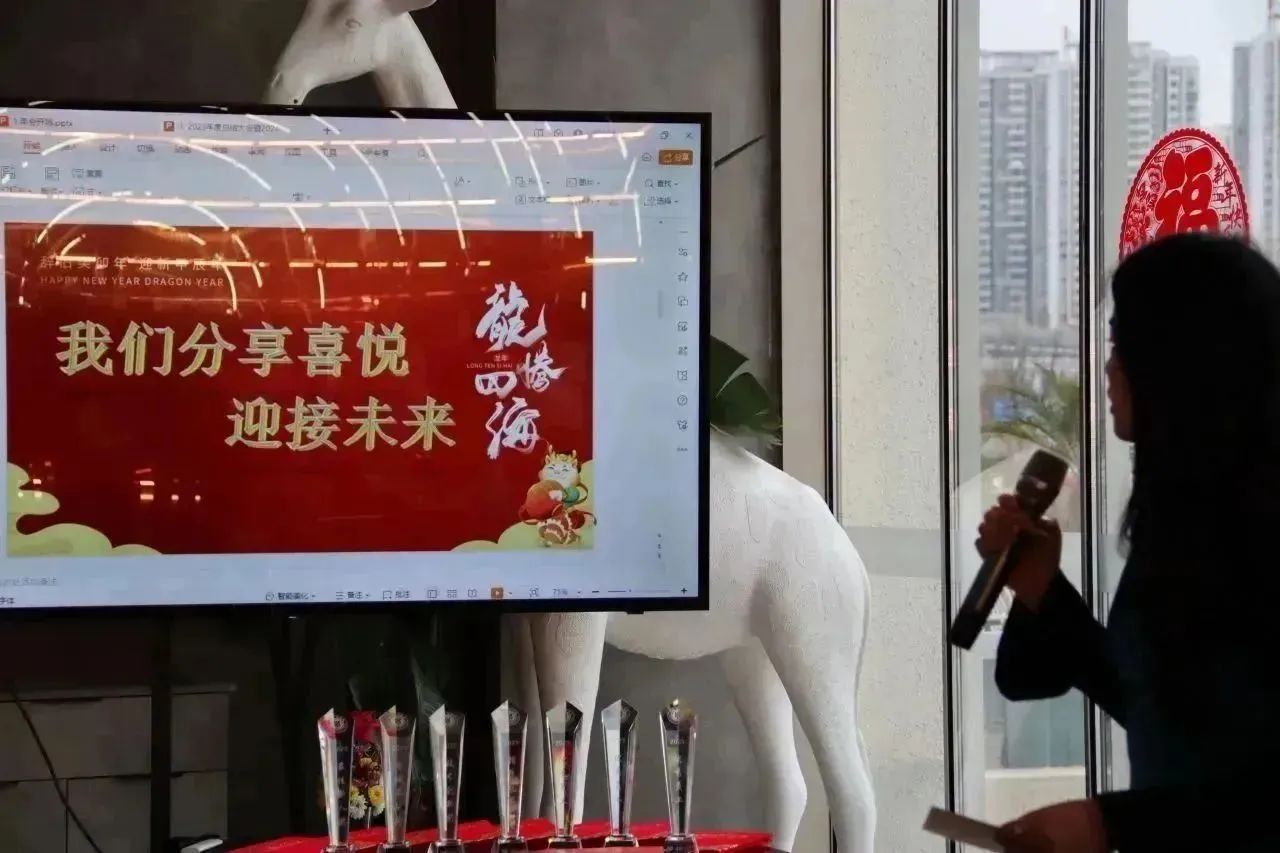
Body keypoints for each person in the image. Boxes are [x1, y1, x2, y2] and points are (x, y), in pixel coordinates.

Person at [979, 232, 1280, 853]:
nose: (1109, 368)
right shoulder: (1179, 520)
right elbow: (1164, 711)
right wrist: (1040, 588)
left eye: (1122, 346)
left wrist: (1111, 822)